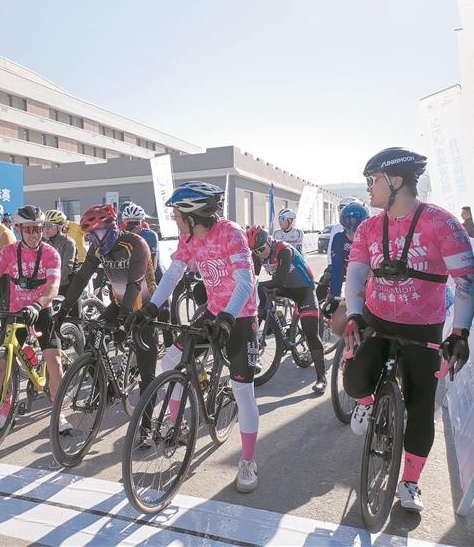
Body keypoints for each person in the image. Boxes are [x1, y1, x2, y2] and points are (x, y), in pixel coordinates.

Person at [343, 147, 474, 513]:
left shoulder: (442, 223)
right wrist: (355, 314)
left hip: (424, 328)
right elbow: (355, 274)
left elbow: (466, 282)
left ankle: (410, 482)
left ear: (395, 180)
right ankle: (367, 406)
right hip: (377, 319)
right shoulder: (369, 227)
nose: (368, 189)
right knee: (354, 380)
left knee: (420, 408)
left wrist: (459, 334)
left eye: (373, 181)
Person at [130, 181, 261, 493]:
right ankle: (180, 425)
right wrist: (150, 308)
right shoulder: (189, 237)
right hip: (214, 311)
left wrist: (229, 317)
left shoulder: (230, 232)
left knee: (243, 391)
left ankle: (247, 461)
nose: (174, 219)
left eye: (177, 214)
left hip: (241, 316)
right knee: (172, 360)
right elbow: (174, 274)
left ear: (193, 214)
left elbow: (246, 281)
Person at [55, 204, 157, 437]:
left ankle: (147, 428)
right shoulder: (98, 249)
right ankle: (107, 390)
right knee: (93, 340)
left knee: (147, 373)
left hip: (145, 308)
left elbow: (134, 285)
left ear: (110, 228)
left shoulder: (135, 244)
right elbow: (81, 278)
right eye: (89, 236)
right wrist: (63, 310)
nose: (93, 240)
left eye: (95, 234)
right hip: (120, 304)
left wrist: (122, 322)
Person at [0, 205, 70, 432]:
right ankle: (4, 412)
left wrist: (38, 304)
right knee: (3, 360)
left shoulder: (50, 253)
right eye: (29, 230)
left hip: (42, 310)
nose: (35, 234)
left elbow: (53, 286)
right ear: (18, 229)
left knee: (54, 362)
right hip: (16, 312)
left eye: (38, 229)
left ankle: (59, 413)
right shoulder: (9, 252)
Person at [248, 225, 327, 394]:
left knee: (311, 333)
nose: (259, 254)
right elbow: (253, 278)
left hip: (303, 290)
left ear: (269, 241)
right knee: (258, 294)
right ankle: (266, 322)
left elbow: (278, 281)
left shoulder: (284, 250)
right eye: (254, 251)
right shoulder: (257, 252)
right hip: (284, 287)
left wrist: (254, 286)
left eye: (261, 249)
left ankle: (321, 378)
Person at [321, 202, 370, 319]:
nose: (353, 236)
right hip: (349, 276)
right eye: (348, 231)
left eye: (357, 232)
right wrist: (334, 295)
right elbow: (337, 267)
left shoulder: (372, 237)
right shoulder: (339, 238)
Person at [317, 196, 364, 301]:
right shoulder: (337, 231)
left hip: (361, 272)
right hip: (340, 265)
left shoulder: (367, 230)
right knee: (323, 284)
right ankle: (320, 308)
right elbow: (332, 252)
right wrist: (334, 294)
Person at [43, 209, 77, 293]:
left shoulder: (69, 243)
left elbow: (67, 268)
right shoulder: (46, 243)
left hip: (67, 284)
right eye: (45, 225)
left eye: (50, 225)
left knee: (68, 305)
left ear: (59, 227)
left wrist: (53, 282)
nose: (46, 229)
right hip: (50, 284)